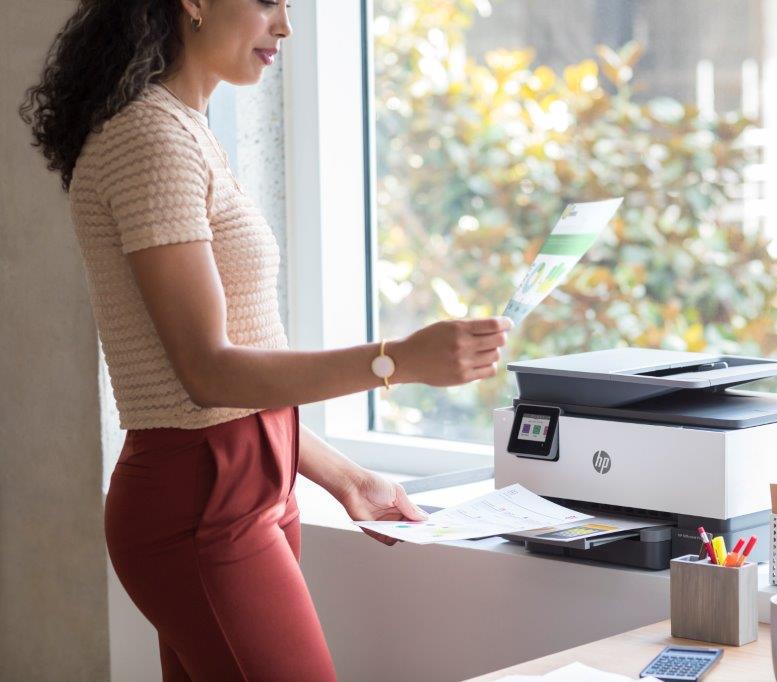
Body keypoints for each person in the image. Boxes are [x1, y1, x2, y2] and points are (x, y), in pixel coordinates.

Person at [20, 1, 510, 679]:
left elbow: (237, 381)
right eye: (267, 2)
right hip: (199, 504)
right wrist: (399, 361)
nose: (284, 25)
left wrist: (347, 476)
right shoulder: (147, 141)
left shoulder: (187, 131)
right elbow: (208, 374)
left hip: (247, 487)